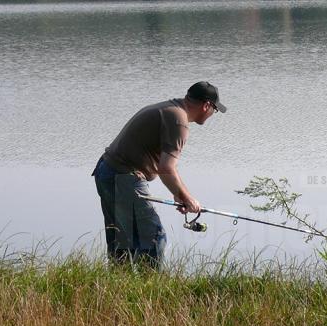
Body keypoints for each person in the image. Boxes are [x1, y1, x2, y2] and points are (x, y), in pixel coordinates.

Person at [92, 81, 227, 269]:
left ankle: (117, 291)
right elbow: (166, 168)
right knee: (154, 237)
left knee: (121, 240)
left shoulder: (170, 108)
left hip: (106, 171)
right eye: (215, 110)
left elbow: (164, 169)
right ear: (206, 106)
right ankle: (152, 293)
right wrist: (189, 199)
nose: (213, 114)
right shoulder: (179, 120)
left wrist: (178, 193)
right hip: (123, 176)